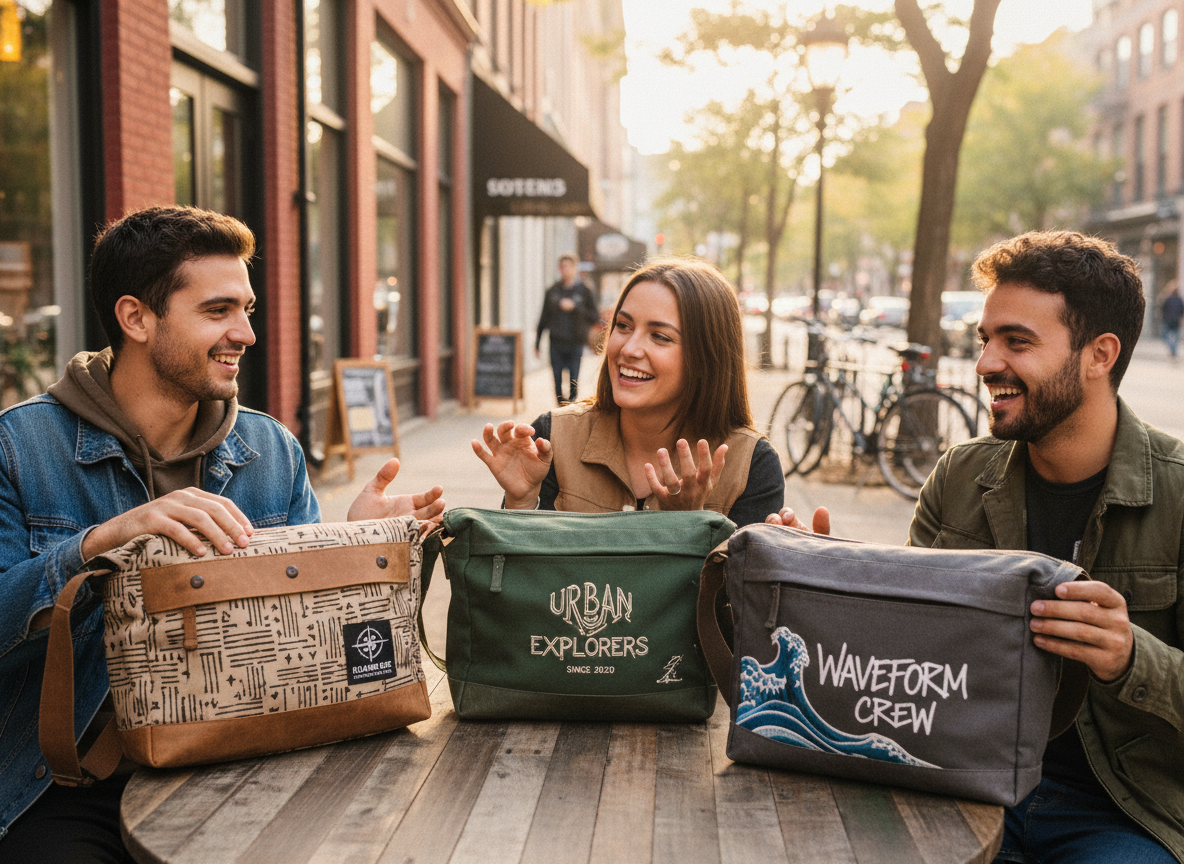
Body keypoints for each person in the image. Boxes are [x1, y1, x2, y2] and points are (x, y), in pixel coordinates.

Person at [0, 206, 445, 862]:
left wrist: (351, 550)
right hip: (67, 787)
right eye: (217, 311)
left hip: (245, 762)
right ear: (136, 318)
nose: (246, 333)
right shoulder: (20, 446)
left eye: (248, 309)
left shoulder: (270, 448)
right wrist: (97, 545)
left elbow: (304, 648)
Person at [771, 231, 1182, 863]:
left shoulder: (1177, 492)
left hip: (1123, 812)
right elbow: (906, 660)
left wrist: (1130, 656)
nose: (987, 362)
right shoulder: (960, 476)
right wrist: (823, 584)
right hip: (960, 785)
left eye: (1017, 342)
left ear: (1100, 354)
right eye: (986, 340)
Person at [475, 257, 784, 529]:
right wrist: (521, 505)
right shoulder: (552, 438)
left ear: (707, 357)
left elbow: (741, 596)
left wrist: (691, 526)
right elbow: (522, 588)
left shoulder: (751, 465)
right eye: (623, 326)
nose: (629, 348)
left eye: (660, 336)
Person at [535, 253, 600, 405]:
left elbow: (594, 316)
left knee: (573, 380)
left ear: (574, 268)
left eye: (568, 266)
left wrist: (575, 307)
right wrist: (537, 343)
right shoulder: (552, 291)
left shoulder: (584, 291)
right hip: (556, 342)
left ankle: (571, 406)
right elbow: (543, 317)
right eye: (562, 267)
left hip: (575, 342)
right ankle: (560, 407)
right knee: (556, 379)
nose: (564, 270)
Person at [1162, 281, 1183, 359]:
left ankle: (1172, 349)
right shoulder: (1180, 299)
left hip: (1167, 320)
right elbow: (1182, 311)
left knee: (1164, 335)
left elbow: (1162, 308)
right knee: (1175, 337)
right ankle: (1173, 350)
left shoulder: (1168, 298)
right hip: (1176, 320)